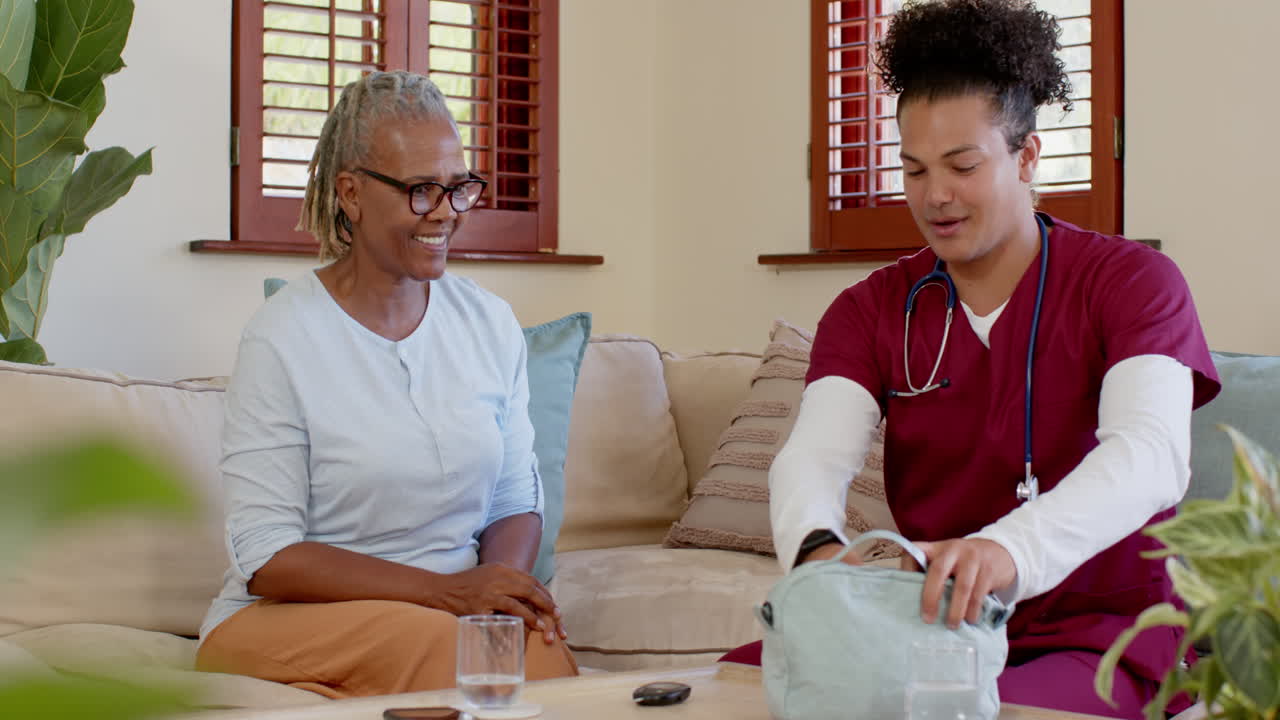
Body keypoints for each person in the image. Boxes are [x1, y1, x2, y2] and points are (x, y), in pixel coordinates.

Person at [723, 1, 1220, 717]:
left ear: (1027, 156)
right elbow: (813, 457)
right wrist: (816, 550)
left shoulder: (1133, 283)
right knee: (732, 691)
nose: (936, 196)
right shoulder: (869, 310)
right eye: (914, 170)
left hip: (1100, 636)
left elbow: (1151, 455)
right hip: (933, 627)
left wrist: (1006, 551)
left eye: (963, 165)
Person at [195, 71, 578, 698]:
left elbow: (514, 500)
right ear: (350, 192)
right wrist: (446, 594)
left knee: (532, 650)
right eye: (421, 191)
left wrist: (496, 602)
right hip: (288, 620)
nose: (446, 212)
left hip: (448, 615)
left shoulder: (489, 323)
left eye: (459, 188)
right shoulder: (282, 336)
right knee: (456, 655)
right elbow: (267, 556)